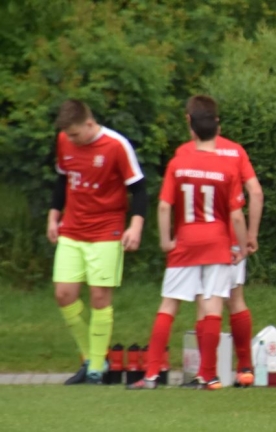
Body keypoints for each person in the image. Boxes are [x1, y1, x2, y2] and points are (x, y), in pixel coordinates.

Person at [127, 95, 248, 390]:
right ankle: (209, 375)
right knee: (213, 305)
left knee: (169, 304)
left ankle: (151, 374)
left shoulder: (178, 163)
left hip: (186, 241)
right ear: (217, 127)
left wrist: (166, 240)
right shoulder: (228, 167)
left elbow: (164, 206)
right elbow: (236, 215)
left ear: (190, 125)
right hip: (218, 242)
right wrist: (242, 247)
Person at [49, 99, 148, 384]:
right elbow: (62, 180)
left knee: (99, 298)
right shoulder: (64, 140)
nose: (71, 140)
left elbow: (139, 189)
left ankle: (94, 369)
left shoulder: (116, 145)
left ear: (90, 124)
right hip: (71, 229)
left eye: (75, 134)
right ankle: (93, 357)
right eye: (68, 135)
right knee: (63, 295)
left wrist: (135, 226)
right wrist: (53, 216)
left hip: (106, 231)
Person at [172, 105, 264, 388]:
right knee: (236, 299)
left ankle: (207, 372)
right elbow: (256, 191)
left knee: (205, 303)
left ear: (191, 121)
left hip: (200, 239)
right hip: (232, 237)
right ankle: (245, 368)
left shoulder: (185, 152)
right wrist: (251, 235)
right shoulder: (236, 151)